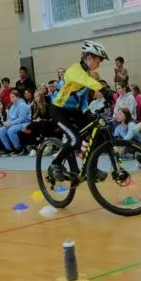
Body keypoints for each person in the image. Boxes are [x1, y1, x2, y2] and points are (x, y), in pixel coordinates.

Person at [48, 41, 114, 180]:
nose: (99, 64)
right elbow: (86, 81)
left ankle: (91, 168)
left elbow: (83, 98)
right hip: (59, 110)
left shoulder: (86, 74)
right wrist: (103, 89)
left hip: (73, 110)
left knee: (97, 135)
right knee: (75, 139)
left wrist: (87, 111)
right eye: (98, 60)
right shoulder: (74, 70)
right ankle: (55, 164)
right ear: (89, 57)